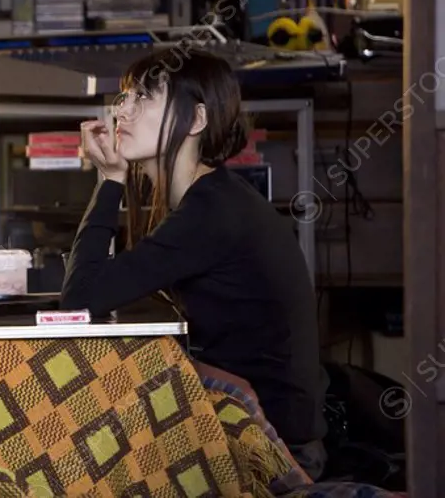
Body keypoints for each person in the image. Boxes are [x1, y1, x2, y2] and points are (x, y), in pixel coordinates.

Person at [59, 47, 328, 480]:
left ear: (197, 120)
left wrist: (110, 180)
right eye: (124, 97)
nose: (122, 111)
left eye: (143, 97)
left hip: (269, 450)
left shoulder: (212, 210)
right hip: (239, 425)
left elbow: (80, 297)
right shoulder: (208, 198)